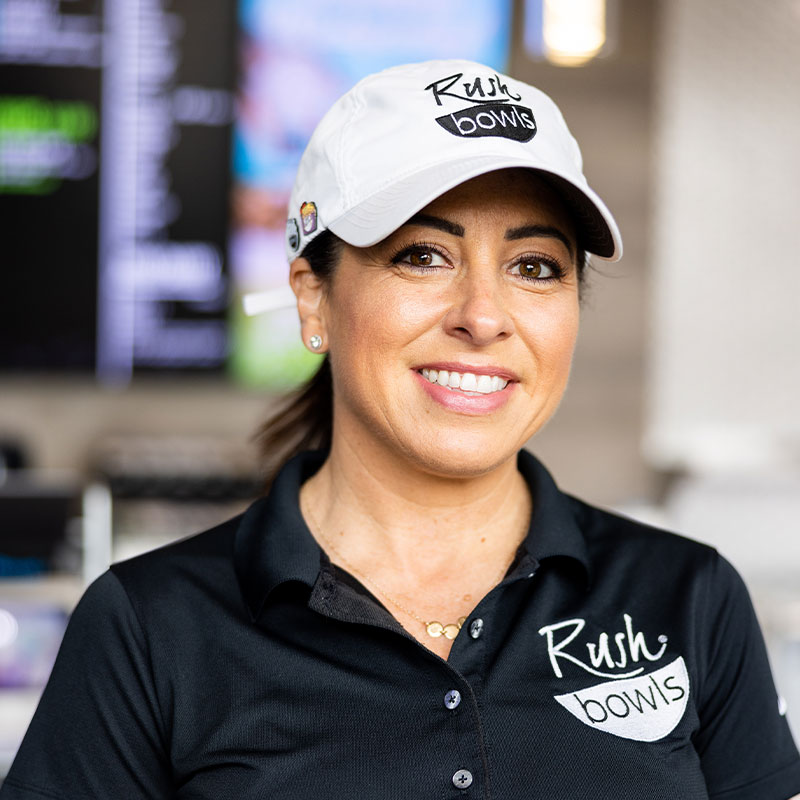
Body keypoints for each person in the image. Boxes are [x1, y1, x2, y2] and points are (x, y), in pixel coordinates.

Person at [2, 60, 799, 800]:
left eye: (534, 267)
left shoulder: (687, 596)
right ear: (313, 297)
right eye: (423, 255)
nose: (484, 317)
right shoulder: (151, 628)